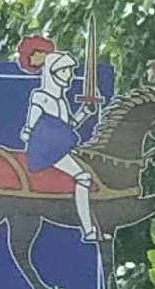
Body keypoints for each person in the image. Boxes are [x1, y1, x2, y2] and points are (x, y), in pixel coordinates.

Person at [16, 35, 98, 242]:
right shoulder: (40, 96)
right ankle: (88, 230)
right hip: (46, 151)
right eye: (64, 71)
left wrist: (86, 112)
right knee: (83, 178)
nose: (69, 75)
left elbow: (69, 125)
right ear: (53, 73)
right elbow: (30, 125)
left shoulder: (61, 100)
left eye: (69, 71)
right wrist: (29, 134)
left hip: (61, 146)